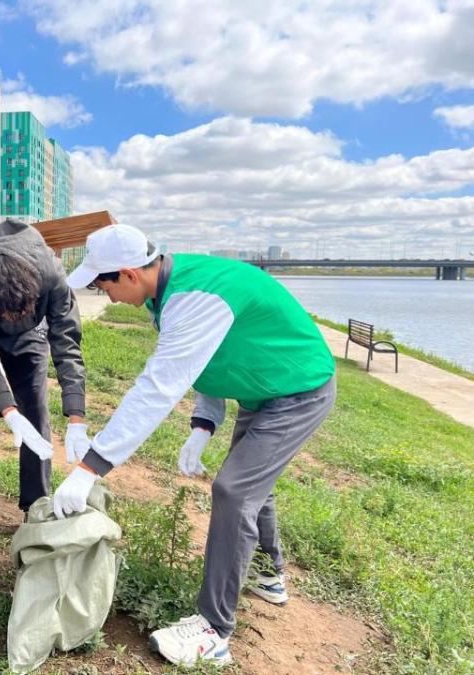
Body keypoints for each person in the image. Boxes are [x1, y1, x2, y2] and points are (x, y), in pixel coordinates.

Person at [53, 224, 336, 668]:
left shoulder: (193, 297)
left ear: (127, 274)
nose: (101, 294)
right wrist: (205, 423)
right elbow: (210, 352)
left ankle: (214, 631)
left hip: (298, 391)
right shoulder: (168, 288)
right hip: (264, 388)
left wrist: (90, 468)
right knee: (252, 485)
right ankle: (270, 575)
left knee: (235, 491)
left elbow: (157, 388)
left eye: (100, 283)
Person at [0, 218, 87, 564]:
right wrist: (8, 412)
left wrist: (76, 414)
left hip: (28, 335)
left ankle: (36, 511)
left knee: (35, 408)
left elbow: (66, 342)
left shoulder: (51, 274)